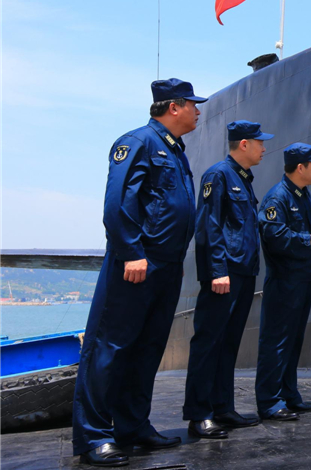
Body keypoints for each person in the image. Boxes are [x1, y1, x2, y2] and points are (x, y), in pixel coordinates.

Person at [72, 78, 207, 467]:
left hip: (166, 267)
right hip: (137, 263)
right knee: (109, 348)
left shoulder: (175, 151)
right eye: (193, 105)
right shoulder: (137, 142)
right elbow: (118, 202)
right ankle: (95, 436)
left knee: (147, 349)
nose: (198, 111)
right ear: (173, 106)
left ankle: (133, 426)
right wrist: (132, 252)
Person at [182, 121, 273, 439]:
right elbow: (208, 227)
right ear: (244, 144)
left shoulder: (244, 180)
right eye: (260, 143)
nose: (265, 148)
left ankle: (222, 407)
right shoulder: (219, 175)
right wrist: (217, 271)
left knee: (229, 343)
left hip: (244, 273)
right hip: (225, 274)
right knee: (208, 342)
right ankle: (199, 414)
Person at [255, 143, 311, 421]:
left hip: (302, 280)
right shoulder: (278, 198)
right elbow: (274, 238)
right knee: (276, 341)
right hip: (285, 282)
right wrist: (306, 240)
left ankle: (288, 394)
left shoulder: (303, 195)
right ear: (301, 167)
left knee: (294, 340)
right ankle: (269, 401)